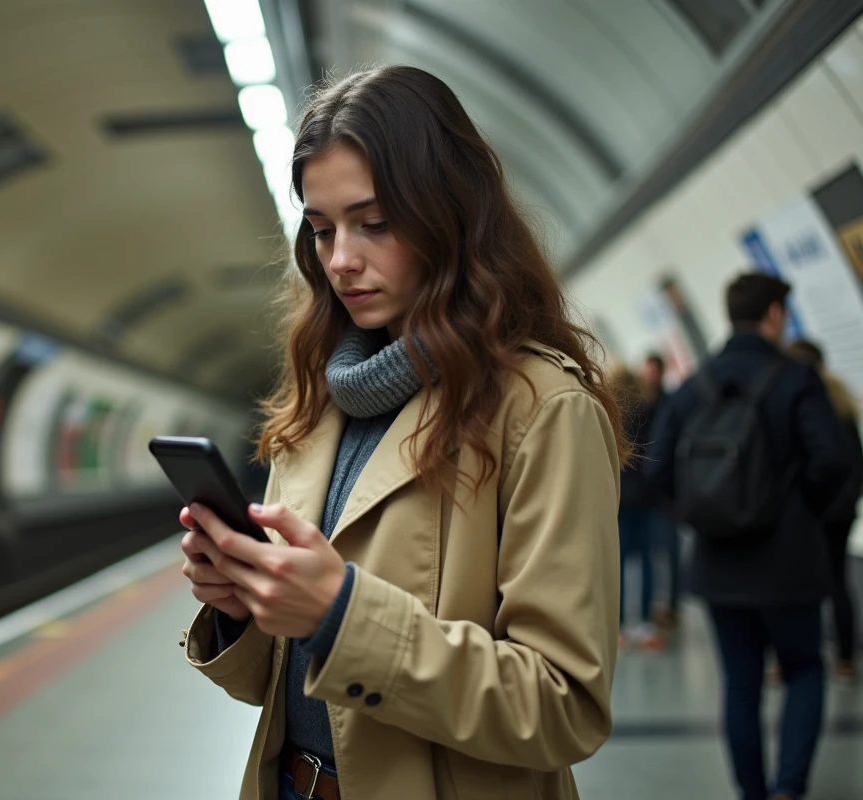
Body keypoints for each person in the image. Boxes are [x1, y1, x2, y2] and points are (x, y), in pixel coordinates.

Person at [177, 66, 625, 800]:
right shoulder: (320, 401)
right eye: (322, 231)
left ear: (450, 214)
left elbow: (562, 706)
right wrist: (243, 606)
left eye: (374, 224)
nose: (342, 260)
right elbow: (282, 686)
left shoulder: (541, 408)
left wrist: (343, 615)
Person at [647, 273, 853, 800]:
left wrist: (699, 515)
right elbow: (833, 458)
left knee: (741, 684)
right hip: (790, 562)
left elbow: (658, 468)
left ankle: (752, 793)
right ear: (776, 315)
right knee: (805, 669)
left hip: (719, 564)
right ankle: (789, 788)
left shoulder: (697, 383)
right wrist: (802, 511)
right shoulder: (796, 379)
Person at [787, 338, 862, 682]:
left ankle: (795, 656)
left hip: (807, 512)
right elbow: (853, 462)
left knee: (797, 584)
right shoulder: (842, 401)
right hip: (841, 511)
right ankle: (845, 658)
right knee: (837, 583)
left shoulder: (794, 400)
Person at [610, 365, 666, 651]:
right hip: (643, 497)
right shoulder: (648, 411)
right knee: (644, 559)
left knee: (615, 563)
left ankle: (616, 625)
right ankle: (644, 623)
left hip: (616, 497)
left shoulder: (607, 412)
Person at [640, 352, 683, 631]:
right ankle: (658, 605)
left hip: (665, 493)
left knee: (669, 550)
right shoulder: (647, 405)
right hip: (649, 493)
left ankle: (670, 605)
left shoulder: (669, 403)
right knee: (654, 552)